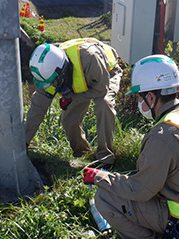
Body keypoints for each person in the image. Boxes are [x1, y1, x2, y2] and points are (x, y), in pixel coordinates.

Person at [83, 54, 179, 239]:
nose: (139, 102)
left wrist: (100, 177)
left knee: (104, 197)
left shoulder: (163, 136)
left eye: (139, 97)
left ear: (151, 97)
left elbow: (140, 190)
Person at [25, 38, 123, 168]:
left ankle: (105, 158)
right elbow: (37, 108)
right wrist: (24, 141)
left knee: (104, 105)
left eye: (53, 82)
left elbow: (100, 89)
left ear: (61, 71)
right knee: (69, 119)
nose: (51, 86)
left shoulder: (90, 57)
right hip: (79, 81)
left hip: (105, 73)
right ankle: (82, 153)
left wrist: (72, 98)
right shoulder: (46, 74)